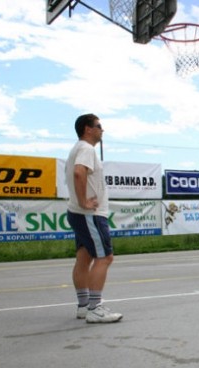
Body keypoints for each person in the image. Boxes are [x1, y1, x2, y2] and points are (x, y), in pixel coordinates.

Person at [65, 114, 122, 323]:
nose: (102, 129)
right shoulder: (86, 149)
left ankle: (83, 306)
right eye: (98, 126)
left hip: (79, 214)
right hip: (90, 214)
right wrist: (84, 202)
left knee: (84, 257)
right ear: (87, 129)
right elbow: (79, 173)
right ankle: (95, 308)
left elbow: (78, 174)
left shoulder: (77, 148)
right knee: (105, 258)